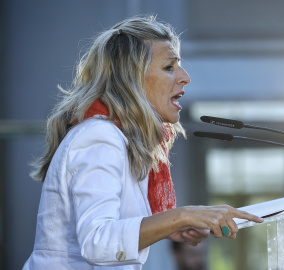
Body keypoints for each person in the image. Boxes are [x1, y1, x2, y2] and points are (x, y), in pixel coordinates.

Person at [23, 14, 263, 269]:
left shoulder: (123, 140)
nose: (184, 77)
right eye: (169, 67)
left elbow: (115, 228)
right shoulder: (99, 137)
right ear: (132, 79)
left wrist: (170, 226)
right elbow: (98, 242)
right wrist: (181, 216)